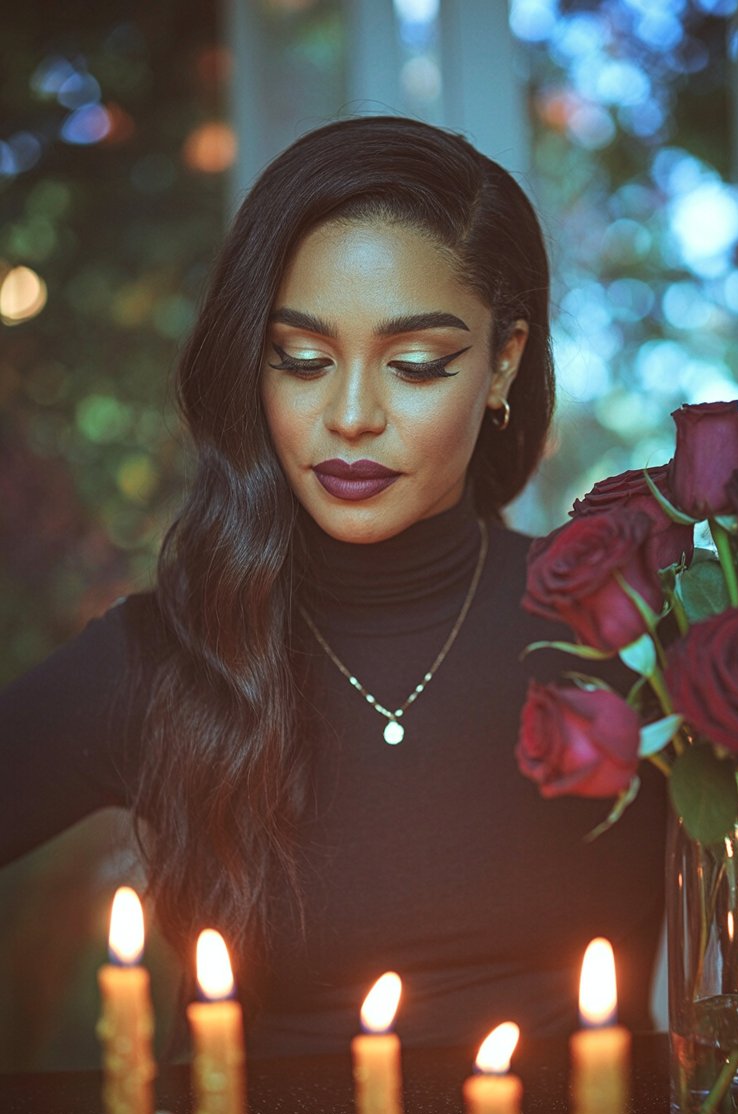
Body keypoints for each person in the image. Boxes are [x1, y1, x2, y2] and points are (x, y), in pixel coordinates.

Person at [0, 116, 665, 1057]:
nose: (351, 415)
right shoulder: (166, 659)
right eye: (303, 360)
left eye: (417, 365)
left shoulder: (640, 634)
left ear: (502, 363)